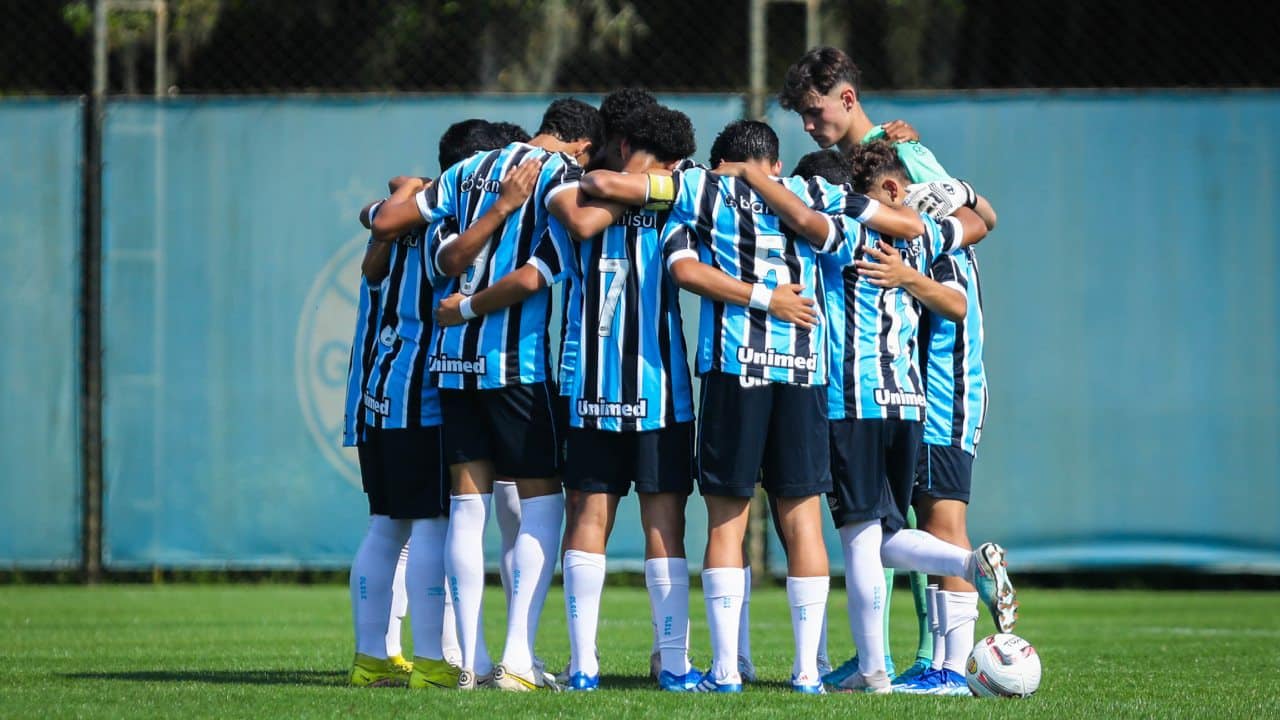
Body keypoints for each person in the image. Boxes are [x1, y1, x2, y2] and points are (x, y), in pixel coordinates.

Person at [582, 118, 922, 693]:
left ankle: (723, 670)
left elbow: (613, 191)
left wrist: (717, 180)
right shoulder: (815, 192)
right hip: (803, 374)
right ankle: (808, 672)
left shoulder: (700, 189)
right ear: (775, 158)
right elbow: (905, 222)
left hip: (736, 370)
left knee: (727, 518)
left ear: (726, 161)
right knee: (803, 518)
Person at [725, 138, 1012, 694]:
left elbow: (808, 220)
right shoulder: (921, 239)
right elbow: (976, 233)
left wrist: (755, 177)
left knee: (861, 536)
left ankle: (873, 667)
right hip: (907, 401)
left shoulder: (848, 231)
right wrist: (957, 201)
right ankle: (963, 565)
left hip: (852, 402)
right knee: (884, 531)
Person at [372, 97, 617, 692]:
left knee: (467, 508)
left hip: (453, 365)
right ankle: (515, 662)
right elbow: (553, 256)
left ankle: (472, 662)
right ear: (583, 146)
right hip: (516, 366)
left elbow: (437, 254)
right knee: (541, 505)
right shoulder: (559, 174)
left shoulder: (464, 171)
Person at [778, 45, 1002, 685]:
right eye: (801, 116)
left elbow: (974, 223)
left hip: (940, 356)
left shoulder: (897, 155)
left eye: (815, 112)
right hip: (904, 356)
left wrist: (915, 266)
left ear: (847, 98)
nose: (809, 126)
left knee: (937, 513)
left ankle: (950, 665)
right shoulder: (856, 165)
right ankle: (910, 656)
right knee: (889, 520)